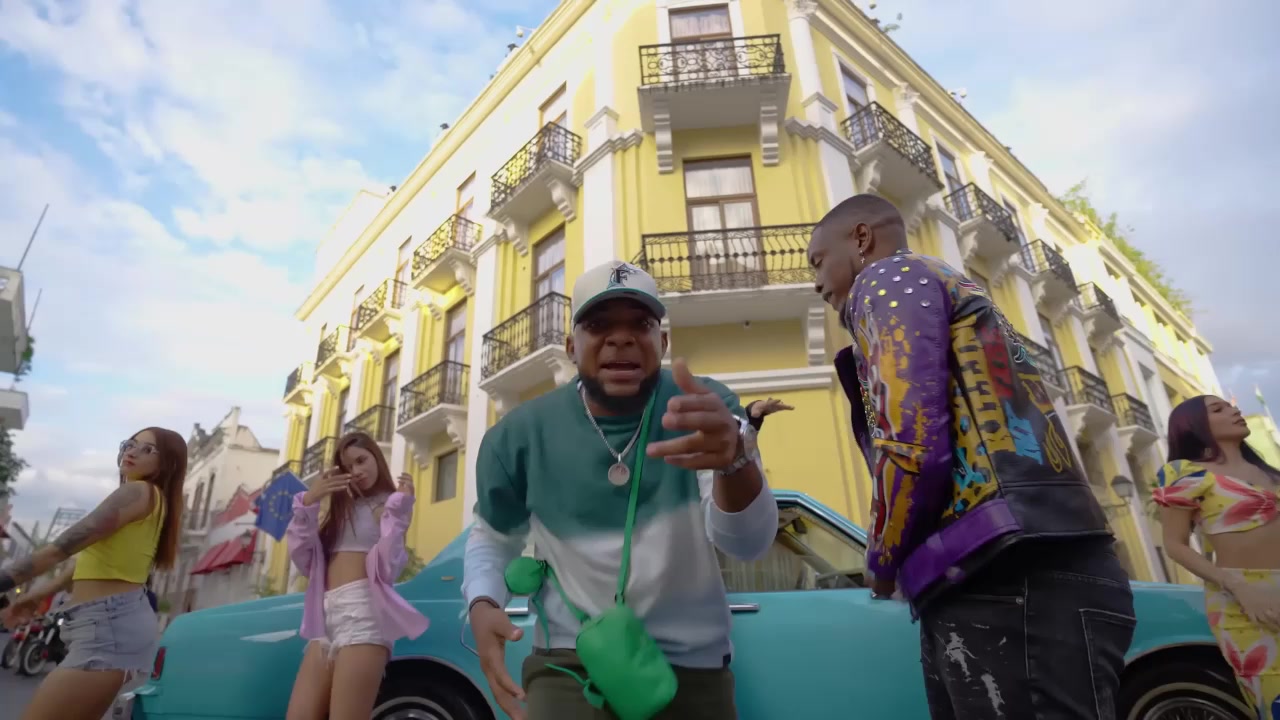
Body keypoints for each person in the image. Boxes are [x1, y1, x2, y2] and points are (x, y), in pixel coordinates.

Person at [808, 194, 1135, 719]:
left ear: (861, 238)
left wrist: (882, 559)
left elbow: (911, 442)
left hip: (1003, 571)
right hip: (1042, 561)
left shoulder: (888, 279)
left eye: (818, 261)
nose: (817, 283)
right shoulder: (951, 284)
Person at [462, 260, 776, 720]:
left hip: (692, 668)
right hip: (570, 664)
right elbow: (493, 539)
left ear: (662, 343)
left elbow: (747, 544)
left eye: (641, 325)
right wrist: (483, 601)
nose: (621, 338)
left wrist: (736, 462)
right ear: (572, 346)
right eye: (598, 325)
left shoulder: (704, 410)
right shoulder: (519, 435)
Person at [0, 427, 186, 720]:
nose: (132, 451)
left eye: (148, 449)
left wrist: (8, 580)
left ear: (168, 463)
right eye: (130, 444)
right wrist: (38, 594)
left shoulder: (139, 492)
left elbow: (62, 547)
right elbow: (88, 562)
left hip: (108, 626)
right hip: (108, 622)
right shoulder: (152, 500)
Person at [284, 431, 429, 720]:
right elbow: (304, 560)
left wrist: (399, 514)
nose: (357, 471)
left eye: (361, 460)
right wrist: (309, 501)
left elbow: (389, 567)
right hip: (326, 616)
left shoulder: (389, 505)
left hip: (363, 612)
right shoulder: (341, 510)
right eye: (348, 467)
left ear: (376, 456)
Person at [1154, 395, 1280, 715]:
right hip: (1245, 600)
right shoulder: (1186, 473)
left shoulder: (1270, 472)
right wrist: (1239, 587)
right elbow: (1175, 545)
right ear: (1193, 425)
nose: (1234, 410)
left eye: (1231, 406)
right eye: (1218, 409)